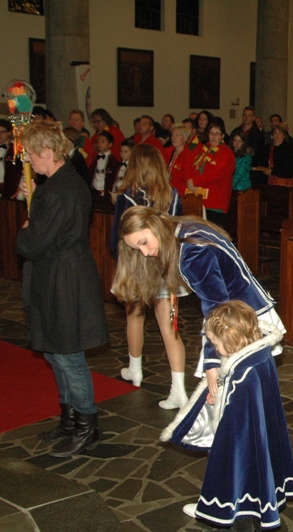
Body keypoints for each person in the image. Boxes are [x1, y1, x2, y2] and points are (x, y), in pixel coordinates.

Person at [111, 206, 285, 400]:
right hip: (240, 313)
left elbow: (217, 307)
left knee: (233, 399)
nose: (144, 252)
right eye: (138, 249)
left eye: (144, 242)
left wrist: (212, 362)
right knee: (239, 397)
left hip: (236, 323)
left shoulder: (192, 250)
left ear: (154, 225)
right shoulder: (183, 228)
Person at [16, 120, 109, 457]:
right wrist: (33, 200)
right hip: (61, 273)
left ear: (47, 152)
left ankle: (87, 426)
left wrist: (26, 227)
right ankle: (69, 420)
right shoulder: (63, 182)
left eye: (30, 153)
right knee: (55, 351)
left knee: (69, 355)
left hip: (64, 278)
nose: (28, 159)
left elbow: (33, 243)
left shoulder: (56, 191)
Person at [161, 300, 293, 528]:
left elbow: (233, 410)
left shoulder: (242, 373)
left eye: (216, 343)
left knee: (231, 465)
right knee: (258, 464)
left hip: (239, 436)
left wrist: (220, 399)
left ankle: (222, 507)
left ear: (231, 339)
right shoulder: (260, 355)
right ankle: (255, 503)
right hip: (258, 431)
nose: (215, 349)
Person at [111, 144, 188, 409]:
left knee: (134, 317)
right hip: (164, 264)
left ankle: (135, 369)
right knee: (169, 327)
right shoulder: (172, 194)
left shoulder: (127, 196)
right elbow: (178, 232)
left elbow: (117, 235)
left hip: (136, 264)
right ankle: (178, 389)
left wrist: (120, 263)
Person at [187, 118, 235, 228]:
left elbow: (216, 174)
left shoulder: (226, 153)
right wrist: (189, 179)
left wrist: (195, 182)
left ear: (222, 136)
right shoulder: (202, 149)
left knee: (213, 234)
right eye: (211, 133)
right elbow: (190, 165)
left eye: (217, 134)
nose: (213, 136)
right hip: (198, 199)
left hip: (215, 201)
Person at [165, 125, 193, 195]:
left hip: (181, 192)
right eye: (172, 135)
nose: (174, 138)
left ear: (185, 138)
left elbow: (188, 177)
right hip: (168, 190)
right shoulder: (168, 152)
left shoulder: (188, 155)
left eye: (177, 135)